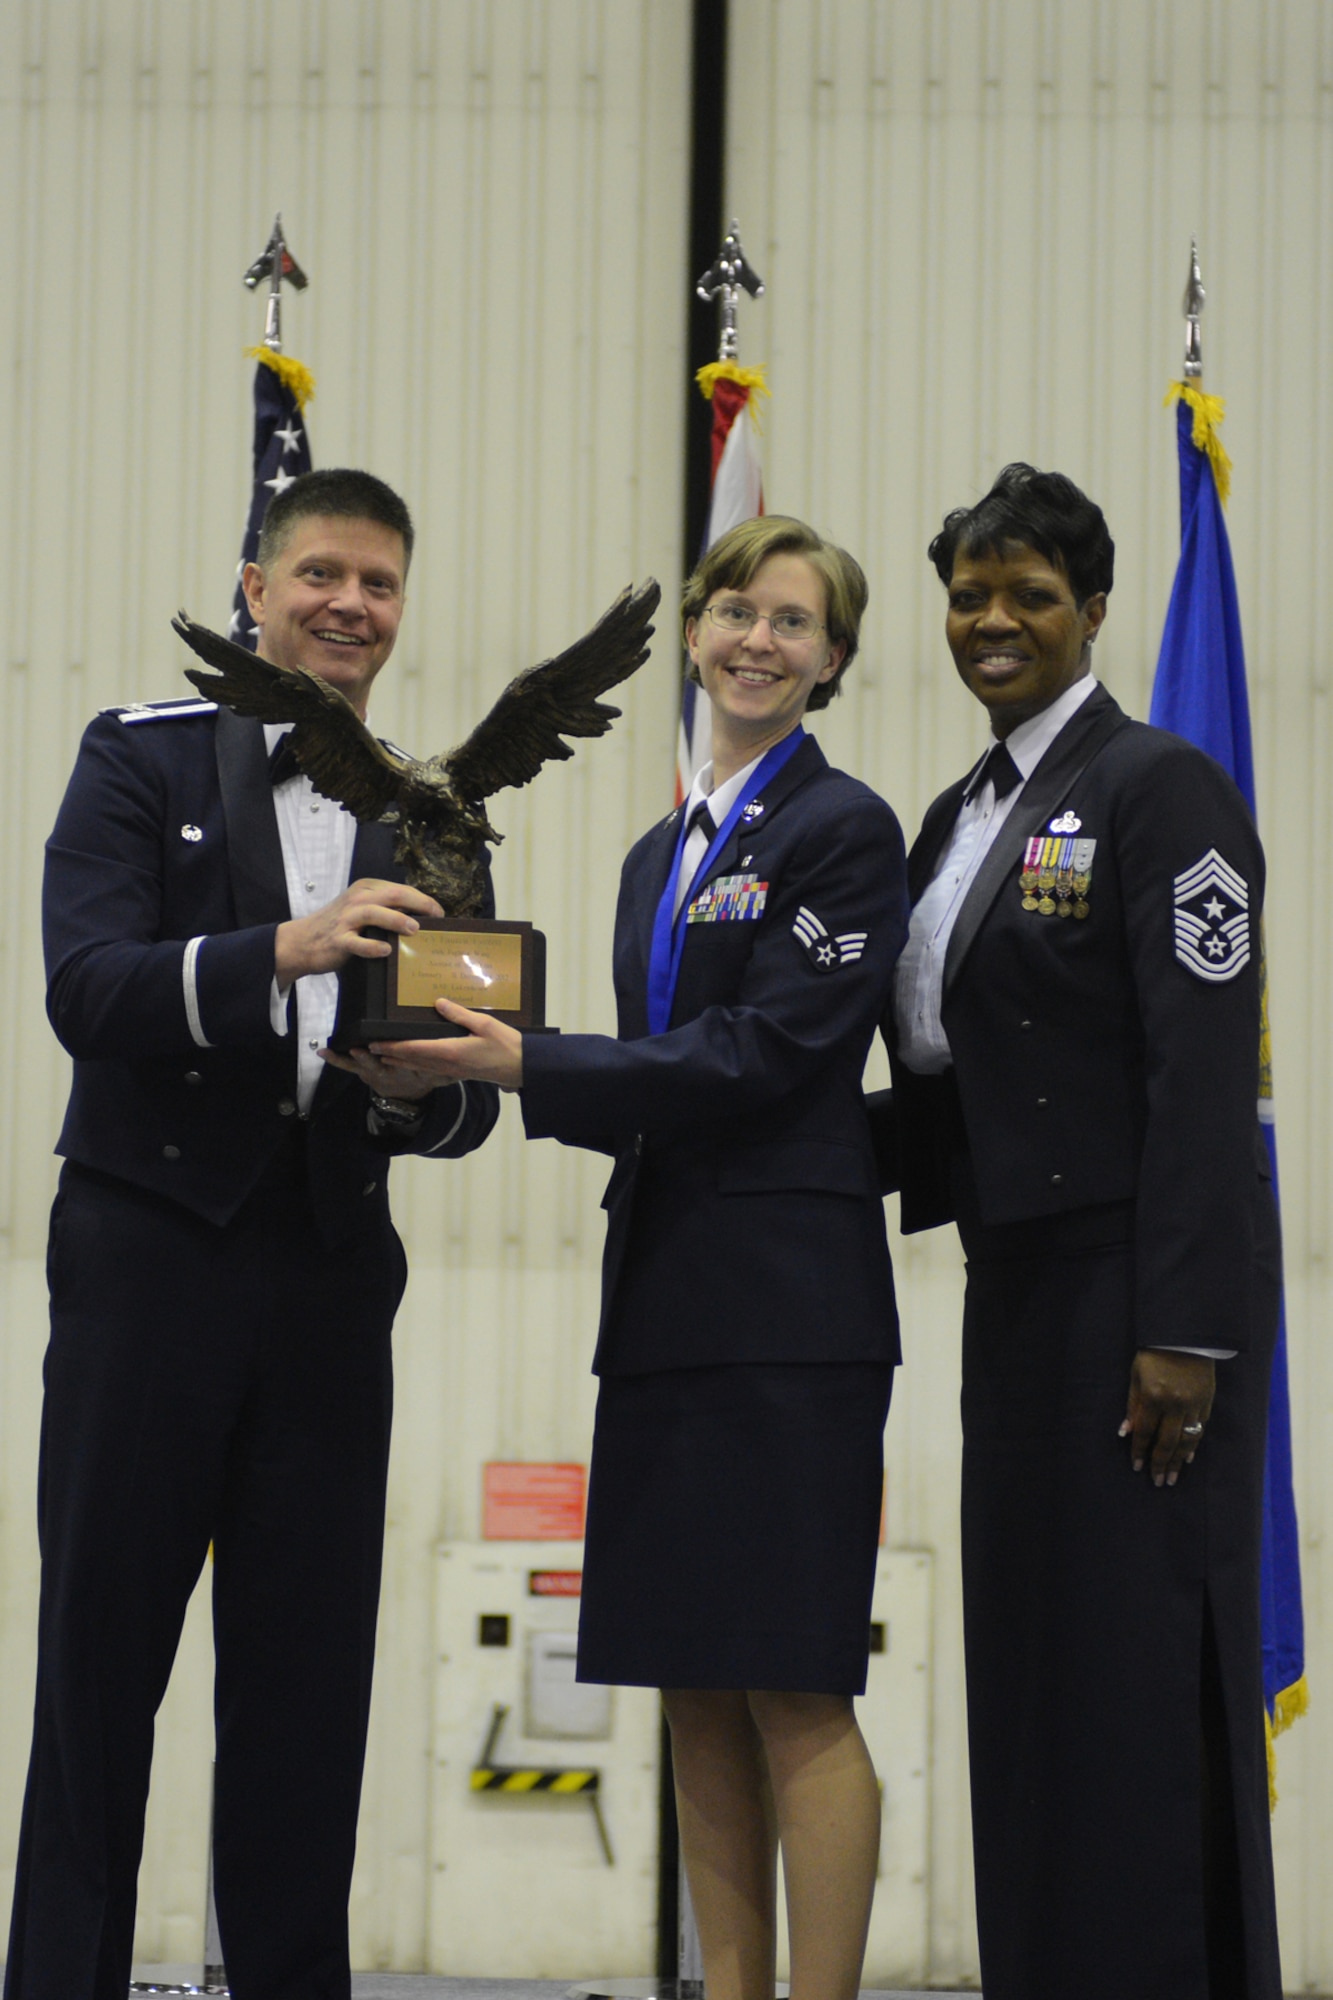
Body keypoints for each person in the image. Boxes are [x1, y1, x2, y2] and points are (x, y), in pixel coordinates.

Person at [365, 515, 908, 2000]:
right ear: (692, 635)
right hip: (663, 1299)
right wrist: (449, 1073)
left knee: (795, 1686)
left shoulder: (842, 829)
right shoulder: (653, 855)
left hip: (791, 1319)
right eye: (735, 608)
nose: (756, 638)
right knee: (689, 1686)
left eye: (793, 621)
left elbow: (763, 1056)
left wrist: (531, 1060)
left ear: (833, 659)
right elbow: (654, 1090)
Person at [6, 469, 500, 2000]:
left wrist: (430, 1091)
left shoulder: (436, 805)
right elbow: (85, 989)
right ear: (254, 584)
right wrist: (276, 951)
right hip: (148, 1252)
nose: (351, 605)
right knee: (100, 1669)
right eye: (322, 575)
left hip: (332, 1276)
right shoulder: (134, 757)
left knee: (306, 1686)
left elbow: (477, 1080)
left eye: (380, 584)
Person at [873, 463, 1282, 2000]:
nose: (991, 620)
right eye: (968, 595)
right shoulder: (954, 815)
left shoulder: (1157, 786)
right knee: (1036, 1684)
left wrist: (1180, 1329)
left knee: (1129, 1683)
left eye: (1026, 594)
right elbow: (942, 1084)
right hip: (1018, 1295)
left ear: (1091, 612)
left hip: (1139, 1305)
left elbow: (1199, 1071)